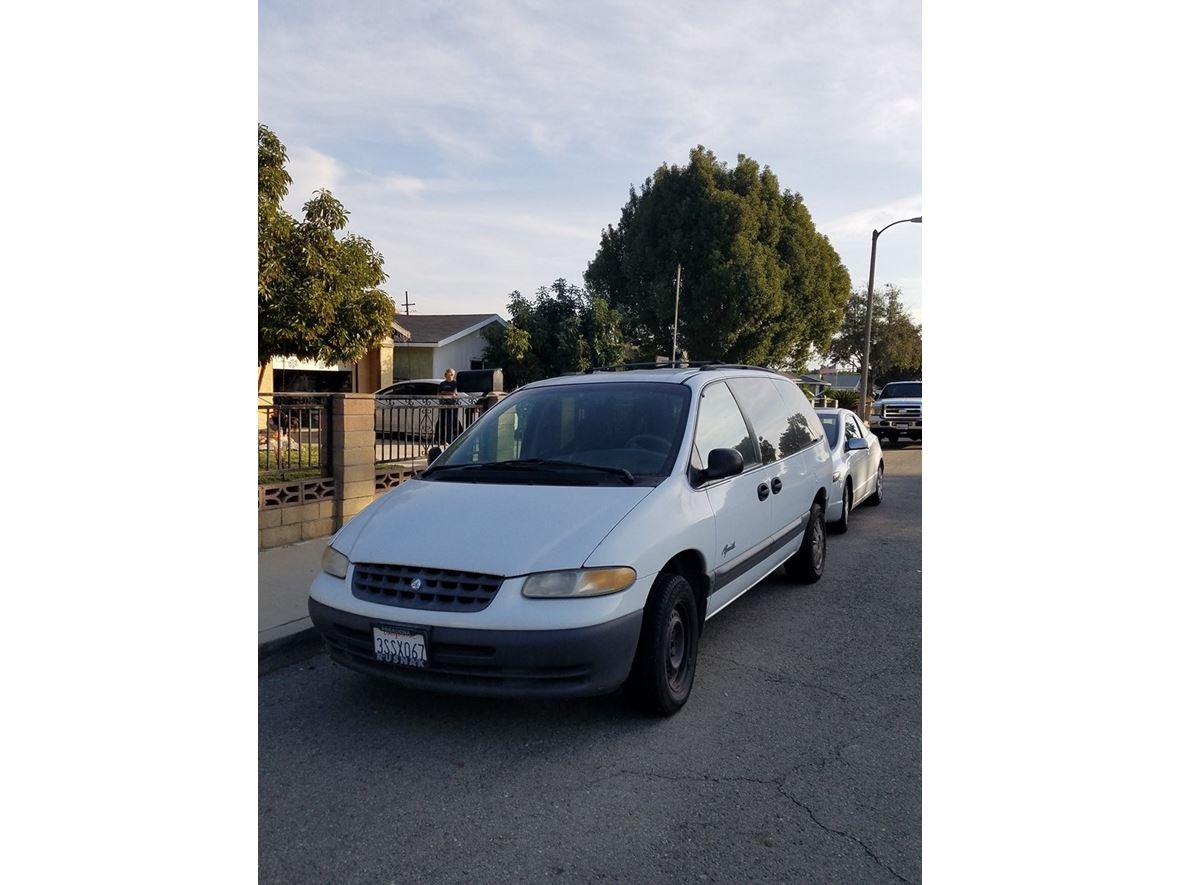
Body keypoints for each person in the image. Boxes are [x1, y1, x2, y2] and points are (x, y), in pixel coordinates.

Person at [435, 368, 464, 443]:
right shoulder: (442, 384)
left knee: (450, 423)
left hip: (452, 406)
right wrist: (447, 393)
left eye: (451, 373)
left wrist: (444, 392)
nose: (450, 374)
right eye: (448, 372)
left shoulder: (455, 384)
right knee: (441, 422)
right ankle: (440, 439)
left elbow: (454, 394)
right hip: (443, 406)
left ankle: (449, 440)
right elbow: (438, 394)